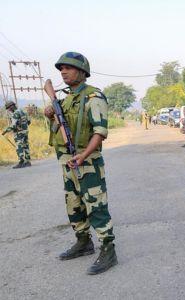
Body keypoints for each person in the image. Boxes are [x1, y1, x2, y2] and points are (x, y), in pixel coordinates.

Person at [44, 52, 117, 275]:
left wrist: (84, 155)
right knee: (74, 204)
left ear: (82, 72)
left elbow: (100, 132)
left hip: (88, 162)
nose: (63, 72)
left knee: (96, 206)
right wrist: (50, 114)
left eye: (68, 68)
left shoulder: (94, 97)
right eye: (61, 69)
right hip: (68, 161)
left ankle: (108, 249)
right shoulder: (64, 99)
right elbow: (60, 127)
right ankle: (83, 241)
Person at [2, 100, 31, 168]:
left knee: (19, 147)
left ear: (12, 106)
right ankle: (27, 162)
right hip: (25, 131)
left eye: (9, 108)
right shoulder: (23, 111)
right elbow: (29, 122)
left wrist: (5, 131)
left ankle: (21, 162)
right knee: (26, 146)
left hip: (19, 133)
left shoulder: (15, 113)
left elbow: (13, 126)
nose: (9, 110)